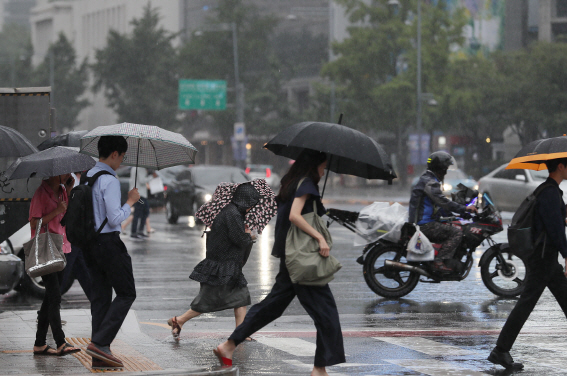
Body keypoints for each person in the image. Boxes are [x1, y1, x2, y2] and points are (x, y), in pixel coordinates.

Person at [214, 151, 345, 376]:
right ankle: (319, 369)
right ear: (314, 166)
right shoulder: (306, 184)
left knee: (271, 307)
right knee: (326, 313)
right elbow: (295, 215)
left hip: (291, 256)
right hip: (303, 260)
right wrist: (320, 237)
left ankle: (228, 345)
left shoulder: (291, 183)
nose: (323, 172)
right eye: (323, 168)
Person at [488, 157, 567, 370]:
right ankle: (500, 350)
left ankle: (501, 350)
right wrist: (566, 254)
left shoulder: (548, 190)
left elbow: (555, 220)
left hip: (545, 259)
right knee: (525, 304)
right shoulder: (549, 192)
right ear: (561, 167)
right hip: (543, 259)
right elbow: (555, 229)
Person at [167, 183, 259, 340]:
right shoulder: (233, 214)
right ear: (245, 201)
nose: (251, 208)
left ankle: (240, 332)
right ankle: (179, 320)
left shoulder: (231, 211)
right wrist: (250, 235)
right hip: (222, 266)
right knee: (206, 302)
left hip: (227, 264)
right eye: (251, 204)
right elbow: (238, 239)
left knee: (241, 297)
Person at [84, 136, 140, 369]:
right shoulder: (109, 180)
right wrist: (131, 201)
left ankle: (100, 356)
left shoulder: (86, 176)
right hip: (108, 243)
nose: (122, 161)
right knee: (127, 293)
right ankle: (100, 343)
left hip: (89, 244)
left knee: (100, 297)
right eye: (123, 156)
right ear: (115, 154)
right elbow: (115, 217)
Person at [30, 173, 81, 356]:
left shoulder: (62, 192)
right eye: (65, 172)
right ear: (54, 173)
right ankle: (60, 342)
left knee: (49, 298)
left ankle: (40, 344)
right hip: (46, 249)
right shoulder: (40, 193)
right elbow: (34, 223)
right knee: (55, 297)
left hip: (61, 247)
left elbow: (67, 216)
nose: (69, 174)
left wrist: (68, 191)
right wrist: (55, 211)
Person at [408, 151, 477, 272]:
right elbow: (443, 202)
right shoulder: (430, 182)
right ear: (439, 168)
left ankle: (445, 259)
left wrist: (458, 215)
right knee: (456, 233)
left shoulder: (428, 179)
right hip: (424, 225)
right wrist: (464, 208)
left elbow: (439, 208)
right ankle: (439, 261)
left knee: (456, 225)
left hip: (423, 222)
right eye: (445, 168)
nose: (446, 171)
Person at [59, 171, 92, 301]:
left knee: (82, 269)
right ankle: (48, 308)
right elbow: (67, 205)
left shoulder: (80, 179)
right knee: (65, 272)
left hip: (77, 234)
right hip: (70, 233)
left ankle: (98, 302)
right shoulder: (68, 178)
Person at [129, 166, 156, 240]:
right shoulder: (140, 168)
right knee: (140, 213)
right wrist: (151, 177)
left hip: (137, 193)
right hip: (140, 194)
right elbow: (142, 180)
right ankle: (135, 232)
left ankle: (138, 231)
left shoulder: (134, 168)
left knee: (143, 212)